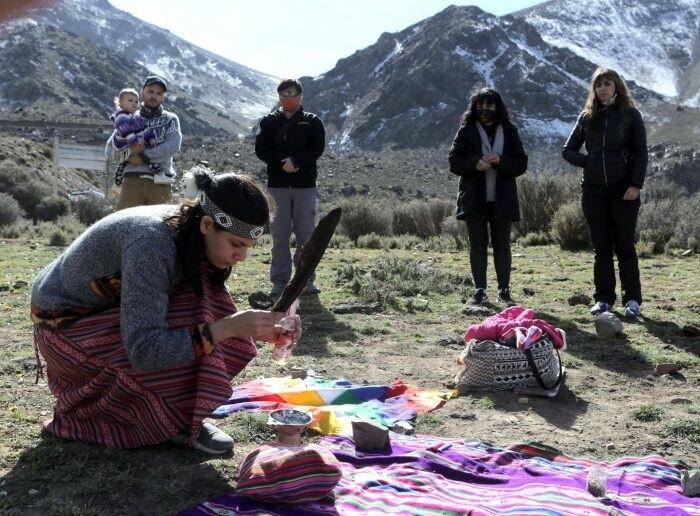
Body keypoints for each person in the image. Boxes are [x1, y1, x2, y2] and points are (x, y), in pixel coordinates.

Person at [31, 166, 301, 454]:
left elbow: (210, 307)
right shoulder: (152, 244)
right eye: (236, 244)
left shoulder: (189, 233)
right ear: (207, 225)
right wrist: (230, 328)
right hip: (64, 330)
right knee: (208, 325)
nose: (242, 257)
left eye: (249, 246)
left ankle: (176, 415)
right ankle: (143, 417)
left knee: (211, 308)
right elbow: (145, 351)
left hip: (101, 310)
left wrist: (262, 328)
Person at [563, 67, 647, 319]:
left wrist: (636, 184)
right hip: (593, 191)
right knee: (601, 249)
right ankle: (603, 300)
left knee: (624, 246)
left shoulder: (630, 115)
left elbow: (641, 153)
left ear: (617, 87)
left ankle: (632, 300)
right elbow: (568, 150)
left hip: (624, 192)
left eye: (607, 83)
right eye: (598, 85)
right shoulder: (587, 117)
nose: (602, 88)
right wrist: (588, 162)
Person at [448, 88, 528, 306]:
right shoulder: (466, 131)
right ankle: (480, 291)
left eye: (489, 106)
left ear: (497, 107)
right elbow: (454, 162)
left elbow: (521, 163)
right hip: (474, 199)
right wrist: (476, 163)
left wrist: (500, 161)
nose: (484, 110)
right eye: (480, 105)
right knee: (477, 246)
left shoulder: (510, 131)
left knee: (502, 246)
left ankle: (504, 291)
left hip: (502, 199)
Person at [254, 78, 325, 297]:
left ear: (300, 96)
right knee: (280, 236)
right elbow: (261, 149)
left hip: (305, 186)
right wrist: (281, 163)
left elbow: (317, 148)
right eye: (283, 94)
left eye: (292, 93)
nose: (287, 97)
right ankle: (279, 281)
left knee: (306, 235)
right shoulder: (268, 122)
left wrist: (296, 161)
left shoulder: (312, 122)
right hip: (277, 186)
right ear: (279, 97)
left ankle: (305, 280)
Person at [106, 75, 180, 210]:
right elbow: (110, 150)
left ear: (163, 97)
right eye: (151, 91)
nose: (154, 96)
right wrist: (129, 155)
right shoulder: (128, 117)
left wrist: (142, 157)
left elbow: (173, 146)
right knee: (124, 227)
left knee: (163, 228)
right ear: (142, 92)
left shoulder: (171, 119)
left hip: (161, 184)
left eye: (159, 93)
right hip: (132, 181)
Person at [110, 87, 162, 186]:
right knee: (140, 156)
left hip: (133, 144)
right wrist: (134, 141)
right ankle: (155, 170)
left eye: (136, 101)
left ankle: (120, 173)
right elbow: (125, 130)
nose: (134, 103)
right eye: (130, 101)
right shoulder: (121, 116)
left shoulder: (137, 117)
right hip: (123, 144)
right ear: (121, 103)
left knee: (136, 156)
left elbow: (144, 129)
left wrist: (150, 137)